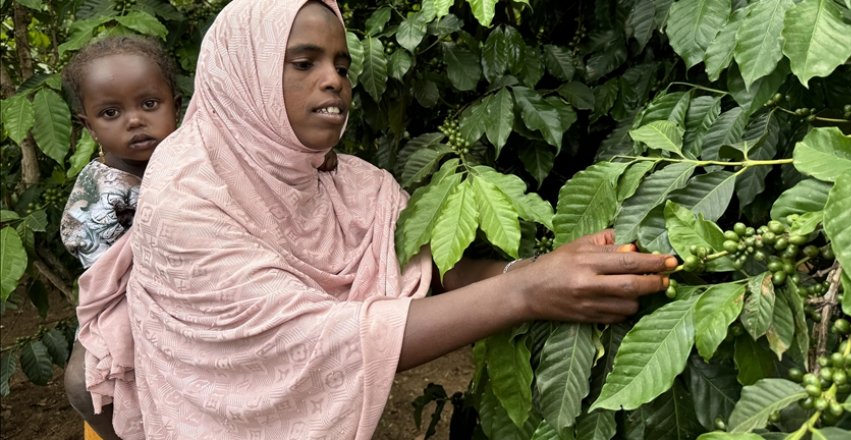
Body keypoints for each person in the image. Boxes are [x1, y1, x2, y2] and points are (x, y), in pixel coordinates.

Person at [76, 0, 675, 438]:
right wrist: (527, 292)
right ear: (244, 74)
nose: (332, 78)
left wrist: (539, 269)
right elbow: (305, 342)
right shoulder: (185, 190)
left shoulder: (349, 180)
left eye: (340, 63)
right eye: (303, 62)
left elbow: (424, 268)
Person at [59, 34, 181, 440]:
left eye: (149, 104)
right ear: (88, 125)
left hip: (192, 287)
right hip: (125, 298)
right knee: (81, 381)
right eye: (111, 112)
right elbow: (104, 272)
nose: (134, 120)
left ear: (175, 105)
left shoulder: (190, 161)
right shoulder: (98, 194)